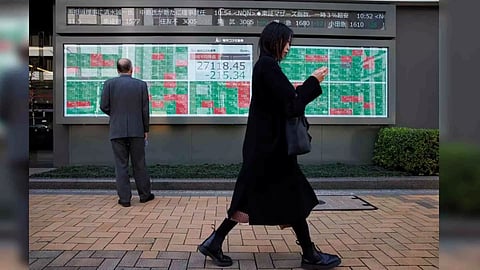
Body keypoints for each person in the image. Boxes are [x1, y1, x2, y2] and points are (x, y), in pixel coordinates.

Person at [198, 21, 341, 269]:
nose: (288, 48)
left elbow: (285, 102)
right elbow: (293, 105)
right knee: (292, 198)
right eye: (287, 42)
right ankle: (309, 255)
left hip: (266, 151)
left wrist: (304, 87)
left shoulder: (266, 66)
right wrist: (313, 81)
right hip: (271, 153)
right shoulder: (267, 66)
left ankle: (215, 242)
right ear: (275, 41)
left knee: (258, 199)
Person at [100, 58, 154, 207]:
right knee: (139, 164)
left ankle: (124, 199)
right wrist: (145, 129)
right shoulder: (141, 85)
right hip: (137, 130)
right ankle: (144, 195)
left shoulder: (109, 84)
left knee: (121, 165)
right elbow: (145, 110)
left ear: (118, 70)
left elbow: (103, 106)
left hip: (117, 130)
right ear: (131, 69)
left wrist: (116, 114)